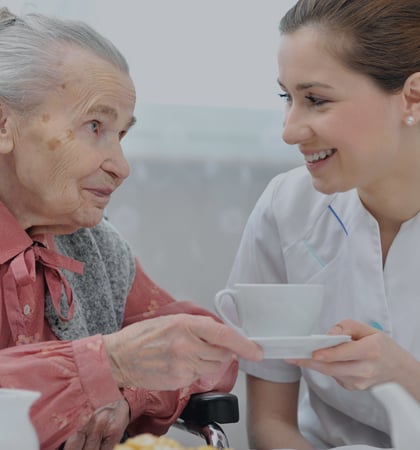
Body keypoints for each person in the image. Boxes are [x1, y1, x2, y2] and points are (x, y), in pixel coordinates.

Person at [0, 7, 263, 450]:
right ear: (4, 124)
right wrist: (109, 364)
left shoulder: (93, 246)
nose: (121, 167)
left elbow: (206, 349)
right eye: (94, 126)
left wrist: (126, 391)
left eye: (121, 134)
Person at [226, 0, 420, 449]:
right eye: (286, 98)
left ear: (412, 96)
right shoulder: (286, 206)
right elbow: (271, 424)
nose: (289, 130)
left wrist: (405, 376)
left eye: (316, 99)